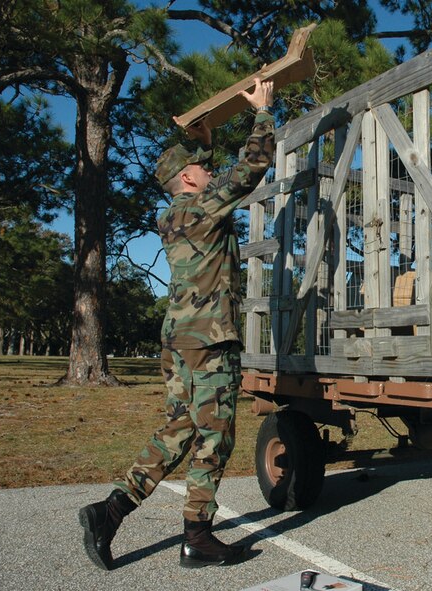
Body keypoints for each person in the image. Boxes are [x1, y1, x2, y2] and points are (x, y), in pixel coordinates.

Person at [79, 78, 275, 570]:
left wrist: (201, 141)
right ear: (189, 179)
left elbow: (208, 171)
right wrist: (263, 113)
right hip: (209, 341)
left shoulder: (174, 215)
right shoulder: (205, 207)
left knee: (179, 430)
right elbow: (250, 168)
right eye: (203, 169)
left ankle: (110, 511)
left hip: (179, 340)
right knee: (215, 435)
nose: (210, 174)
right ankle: (198, 536)